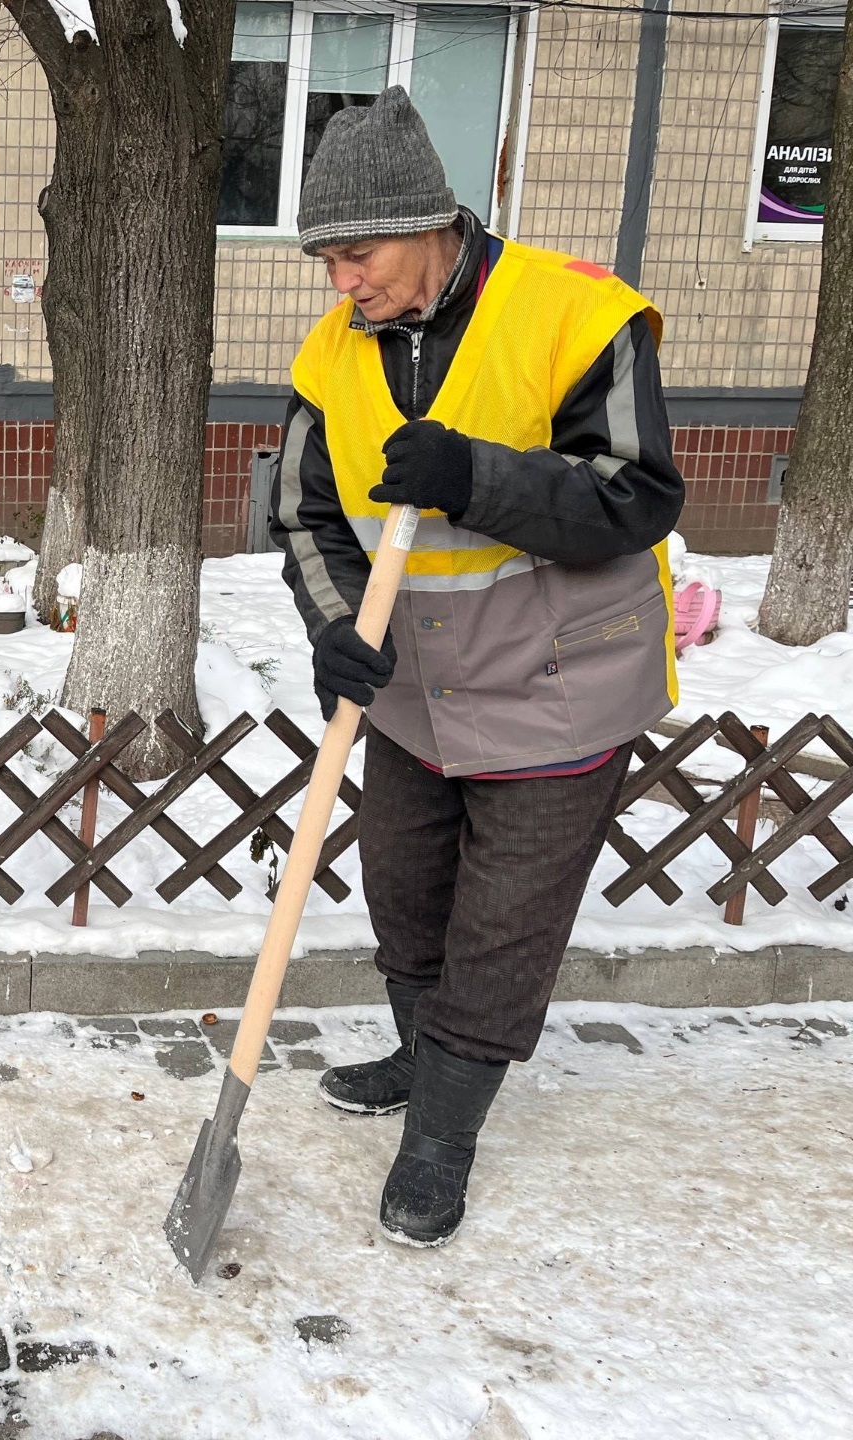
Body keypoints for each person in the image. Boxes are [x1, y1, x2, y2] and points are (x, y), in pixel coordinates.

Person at [270, 87, 683, 1246]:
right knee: (403, 889)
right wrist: (337, 626)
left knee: (503, 926)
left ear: (429, 223)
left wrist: (475, 476)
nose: (342, 284)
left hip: (561, 684)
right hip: (416, 690)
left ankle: (443, 1134)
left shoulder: (574, 314)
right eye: (327, 262)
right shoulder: (333, 355)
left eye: (357, 256)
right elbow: (307, 516)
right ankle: (421, 1053)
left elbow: (638, 494)